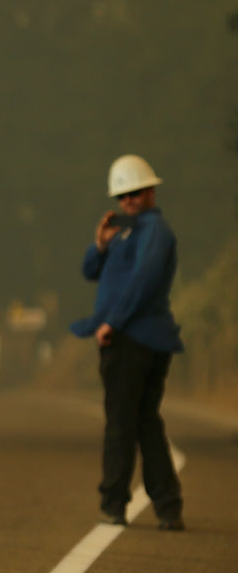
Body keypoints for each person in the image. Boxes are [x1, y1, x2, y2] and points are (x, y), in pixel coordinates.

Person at [70, 154, 185, 530]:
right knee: (144, 422)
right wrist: (100, 244)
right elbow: (90, 271)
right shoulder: (128, 233)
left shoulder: (154, 231)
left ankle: (114, 503)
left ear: (151, 190)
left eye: (135, 193)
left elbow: (145, 282)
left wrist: (112, 324)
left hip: (133, 341)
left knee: (121, 423)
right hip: (133, 339)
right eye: (123, 196)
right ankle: (168, 506)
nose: (129, 201)